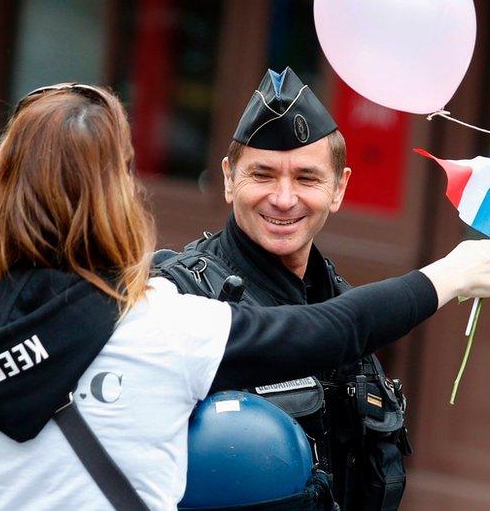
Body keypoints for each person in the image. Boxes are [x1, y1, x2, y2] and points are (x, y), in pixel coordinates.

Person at [0, 83, 490, 510]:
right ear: (118, 192)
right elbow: (328, 331)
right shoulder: (162, 320)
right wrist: (449, 275)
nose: (284, 197)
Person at [153, 67, 405, 509]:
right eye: (263, 175)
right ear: (229, 179)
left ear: (339, 188)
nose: (284, 198)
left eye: (306, 178)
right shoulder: (176, 298)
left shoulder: (347, 307)